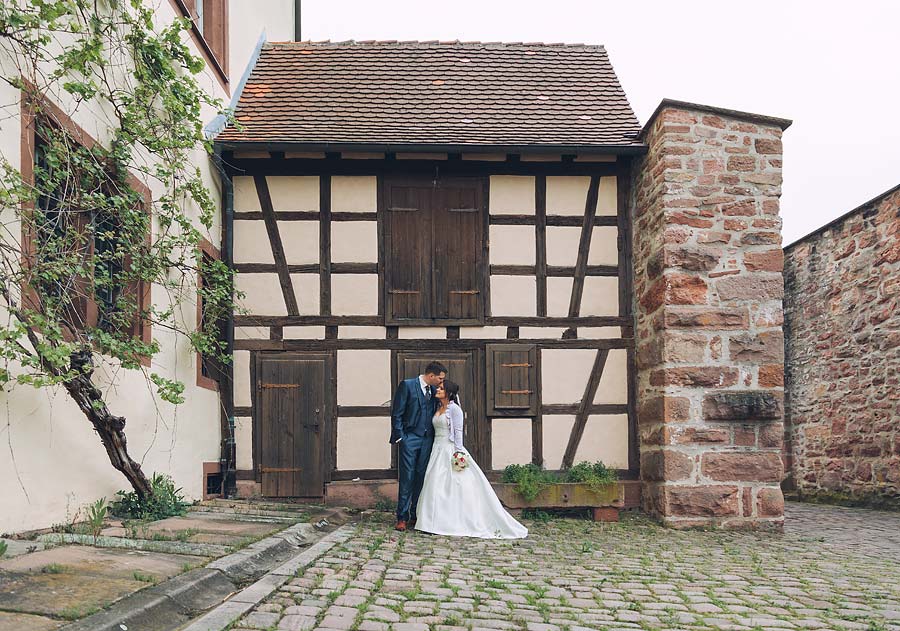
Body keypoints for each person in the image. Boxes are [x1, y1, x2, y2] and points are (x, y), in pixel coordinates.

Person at [415, 380, 528, 539]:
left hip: (449, 448)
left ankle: (450, 521)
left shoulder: (455, 410)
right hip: (437, 449)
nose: (437, 390)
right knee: (434, 483)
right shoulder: (438, 407)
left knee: (452, 486)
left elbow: (459, 433)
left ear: (449, 392)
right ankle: (431, 521)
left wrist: (458, 454)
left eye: (441, 388)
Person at [389, 361, 447, 532]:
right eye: (440, 378)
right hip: (410, 437)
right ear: (431, 376)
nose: (441, 382)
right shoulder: (407, 385)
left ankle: (416, 514)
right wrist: (401, 438)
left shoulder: (436, 391)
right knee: (407, 477)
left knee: (422, 477)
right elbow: (397, 413)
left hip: (428, 439)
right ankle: (402, 517)